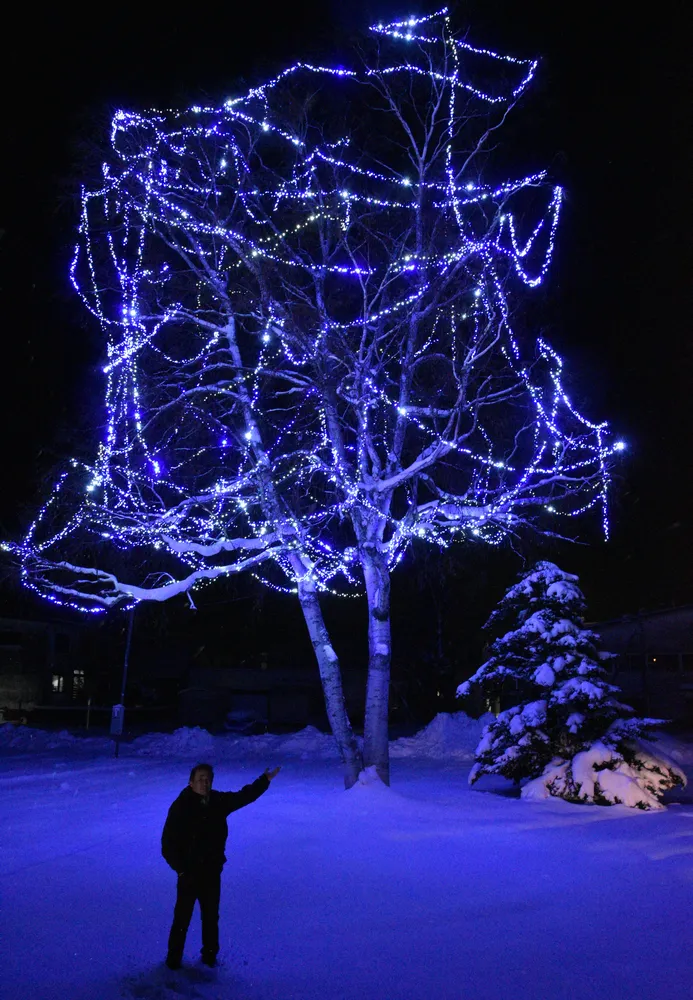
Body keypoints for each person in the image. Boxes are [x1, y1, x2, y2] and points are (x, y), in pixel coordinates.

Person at [161, 761, 281, 970]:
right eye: (200, 779)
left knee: (210, 918)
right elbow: (167, 844)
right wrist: (181, 869)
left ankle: (209, 959)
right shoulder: (180, 806)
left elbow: (243, 797)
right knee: (182, 919)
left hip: (211, 873)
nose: (204, 783)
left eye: (208, 779)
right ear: (191, 782)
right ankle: (173, 962)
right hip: (188, 874)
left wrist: (264, 780)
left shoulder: (217, 801)